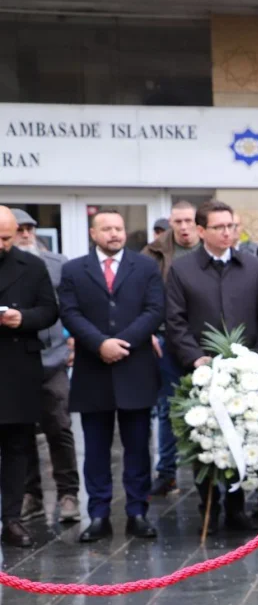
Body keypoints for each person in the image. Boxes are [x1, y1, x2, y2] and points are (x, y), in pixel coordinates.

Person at [164, 199, 258, 533]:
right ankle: (207, 505)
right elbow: (175, 321)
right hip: (201, 370)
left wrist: (257, 360)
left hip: (245, 372)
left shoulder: (253, 268)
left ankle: (237, 506)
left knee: (243, 434)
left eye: (231, 226)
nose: (227, 233)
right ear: (201, 231)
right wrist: (195, 357)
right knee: (205, 437)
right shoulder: (182, 270)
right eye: (219, 227)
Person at [58, 210, 164, 543]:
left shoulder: (145, 267)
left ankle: (137, 512)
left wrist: (123, 343)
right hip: (93, 369)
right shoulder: (74, 270)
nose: (114, 234)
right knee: (95, 449)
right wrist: (100, 343)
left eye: (119, 228)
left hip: (135, 368)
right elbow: (70, 313)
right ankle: (99, 514)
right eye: (106, 229)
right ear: (93, 233)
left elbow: (154, 310)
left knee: (138, 447)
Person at [12, 209, 80, 526]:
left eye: (30, 228)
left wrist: (72, 340)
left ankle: (68, 493)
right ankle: (32, 494)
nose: (25, 234)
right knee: (20, 430)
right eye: (19, 229)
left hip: (52, 358)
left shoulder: (57, 263)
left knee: (59, 426)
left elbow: (70, 307)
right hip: (15, 362)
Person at [0, 206, 59, 547]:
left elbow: (49, 311)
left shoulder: (31, 266)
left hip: (16, 368)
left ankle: (11, 518)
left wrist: (21, 318)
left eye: (8, 238)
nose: (4, 244)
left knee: (17, 445)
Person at [144, 200, 201, 498]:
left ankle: (214, 473)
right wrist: (149, 333)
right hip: (167, 340)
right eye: (177, 222)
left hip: (204, 340)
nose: (183, 227)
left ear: (198, 223)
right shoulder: (154, 252)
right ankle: (166, 472)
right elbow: (141, 294)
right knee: (167, 408)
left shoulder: (210, 246)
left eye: (188, 221)